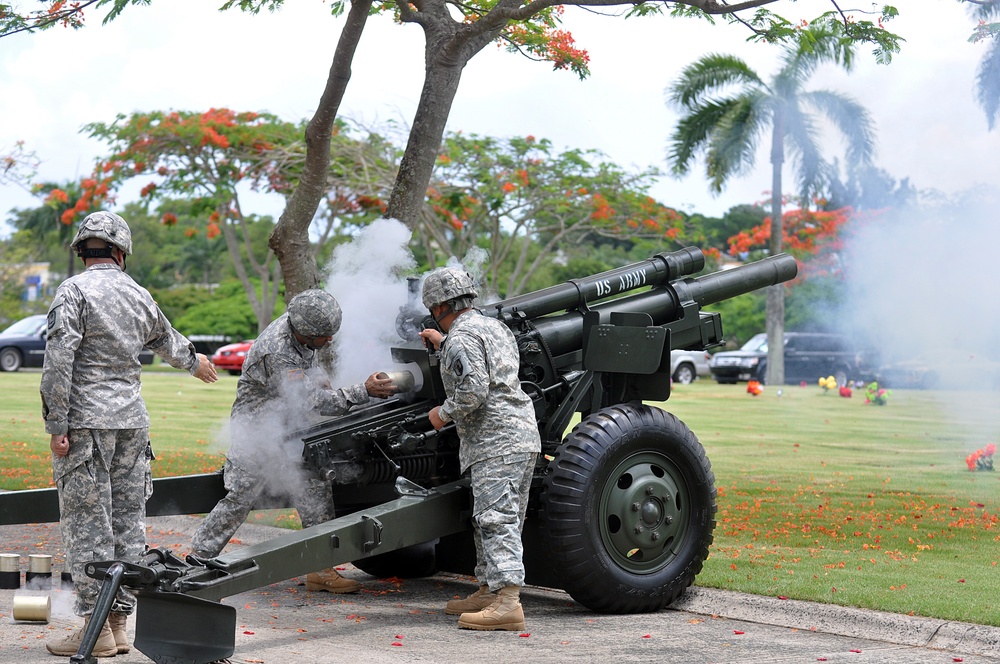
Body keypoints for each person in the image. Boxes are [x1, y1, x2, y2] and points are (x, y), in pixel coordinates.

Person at [41, 211, 219, 657]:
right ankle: (118, 624)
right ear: (120, 252)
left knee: (88, 525)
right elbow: (168, 339)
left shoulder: (73, 291)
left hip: (87, 424)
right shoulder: (139, 293)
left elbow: (59, 363)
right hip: (132, 424)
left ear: (84, 251)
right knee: (127, 524)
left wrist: (56, 426)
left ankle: (95, 630)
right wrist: (196, 363)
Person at [190, 288, 396, 593]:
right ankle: (195, 563)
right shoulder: (278, 349)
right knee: (240, 497)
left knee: (315, 489)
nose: (329, 341)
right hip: (259, 431)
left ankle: (320, 568)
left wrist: (318, 378)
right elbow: (310, 402)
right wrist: (362, 391)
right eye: (323, 336)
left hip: (292, 429)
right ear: (305, 331)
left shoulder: (301, 329)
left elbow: (307, 376)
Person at [418, 267, 541, 631]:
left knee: (495, 519)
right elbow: (489, 367)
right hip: (519, 435)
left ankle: (507, 603)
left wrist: (442, 414)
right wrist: (444, 346)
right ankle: (489, 589)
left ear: (440, 305)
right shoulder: (492, 327)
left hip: (494, 441)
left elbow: (473, 390)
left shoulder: (461, 337)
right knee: (499, 517)